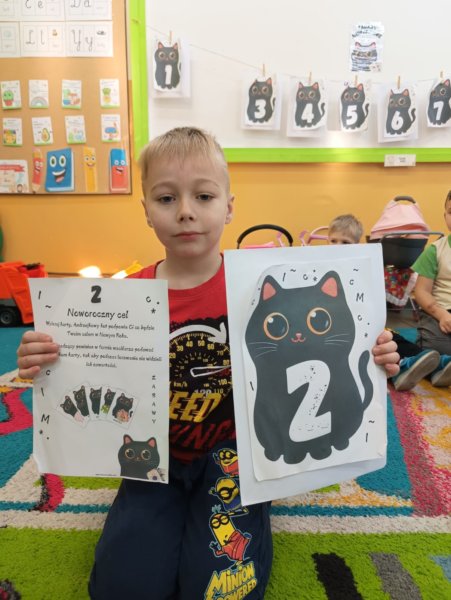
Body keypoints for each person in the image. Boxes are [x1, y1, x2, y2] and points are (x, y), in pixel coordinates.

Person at [17, 128, 399, 600]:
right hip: (151, 459)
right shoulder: (120, 298)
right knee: (122, 588)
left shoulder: (260, 290)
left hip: (235, 456)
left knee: (221, 590)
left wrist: (373, 352)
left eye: (203, 196)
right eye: (166, 198)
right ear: (146, 211)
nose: (185, 211)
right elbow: (79, 376)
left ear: (229, 206)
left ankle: (250, 508)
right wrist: (42, 358)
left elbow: (328, 347)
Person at [327, 213, 443, 391]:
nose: (337, 246)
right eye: (333, 241)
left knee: (391, 336)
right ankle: (401, 368)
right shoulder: (323, 269)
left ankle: (436, 362)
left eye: (345, 242)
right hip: (338, 329)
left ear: (356, 245)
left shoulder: (360, 270)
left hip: (362, 323)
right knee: (376, 347)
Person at [410, 191, 451, 387]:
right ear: (445, 216)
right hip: (440, 313)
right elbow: (421, 291)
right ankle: (439, 364)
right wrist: (441, 314)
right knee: (435, 349)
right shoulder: (435, 250)